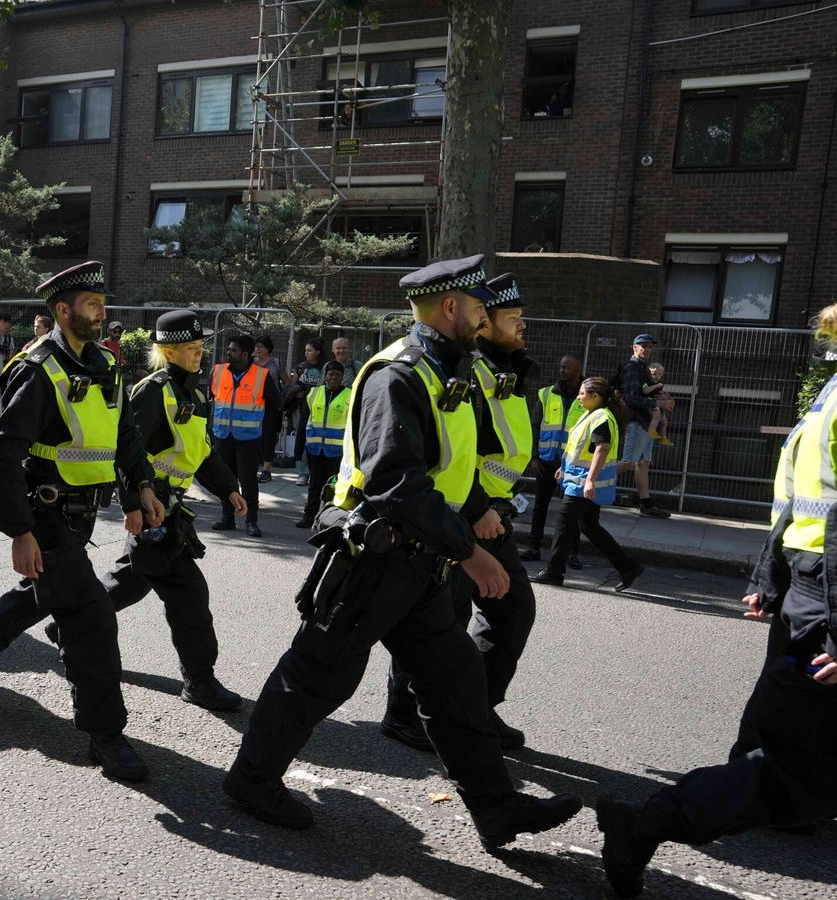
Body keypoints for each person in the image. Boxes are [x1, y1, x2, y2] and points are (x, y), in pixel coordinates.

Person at [223, 255, 581, 844]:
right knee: (318, 675)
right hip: (374, 558)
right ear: (450, 309)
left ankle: (496, 808)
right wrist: (469, 549)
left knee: (456, 682)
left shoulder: (450, 373)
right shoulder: (400, 375)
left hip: (419, 564)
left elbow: (449, 474)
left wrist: (472, 524)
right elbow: (396, 481)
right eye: (478, 308)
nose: (486, 318)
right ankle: (251, 778)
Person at [595, 304, 837, 898]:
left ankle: (773, 797)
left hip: (810, 587)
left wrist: (771, 576)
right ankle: (648, 823)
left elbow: (794, 496)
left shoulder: (830, 395)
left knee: (786, 738)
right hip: (828, 595)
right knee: (793, 769)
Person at [0, 260, 166, 782]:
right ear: (63, 311)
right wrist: (20, 530)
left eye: (103, 303)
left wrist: (140, 490)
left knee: (33, 599)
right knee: (91, 618)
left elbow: (124, 434)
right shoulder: (36, 368)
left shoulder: (107, 364)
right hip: (46, 516)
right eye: (91, 304)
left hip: (82, 518)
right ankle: (106, 735)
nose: (101, 311)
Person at [382, 271, 539, 753]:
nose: (523, 327)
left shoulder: (506, 373)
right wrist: (472, 510)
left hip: (489, 513)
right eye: (513, 319)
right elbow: (445, 455)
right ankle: (407, 715)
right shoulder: (455, 370)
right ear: (483, 322)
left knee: (510, 611)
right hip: (457, 517)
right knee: (436, 621)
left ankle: (475, 708)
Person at [89, 309, 246, 712]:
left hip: (169, 509)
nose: (199, 355)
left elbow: (202, 453)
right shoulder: (153, 390)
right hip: (154, 507)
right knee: (190, 595)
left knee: (130, 581)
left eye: (200, 347)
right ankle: (201, 682)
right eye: (191, 349)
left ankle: (71, 627)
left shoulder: (194, 392)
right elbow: (128, 453)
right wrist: (140, 500)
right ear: (170, 353)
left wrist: (229, 489)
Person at [532, 377, 645, 590]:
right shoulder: (592, 414)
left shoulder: (600, 416)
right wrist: (563, 467)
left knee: (564, 524)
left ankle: (554, 572)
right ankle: (628, 566)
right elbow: (579, 446)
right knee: (589, 526)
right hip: (579, 479)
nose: (578, 397)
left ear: (595, 396)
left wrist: (590, 481)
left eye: (582, 393)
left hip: (583, 483)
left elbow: (601, 449)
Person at [209, 334, 279, 537]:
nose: (229, 352)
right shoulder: (218, 371)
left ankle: (251, 521)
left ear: (246, 354)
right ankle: (227, 517)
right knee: (225, 479)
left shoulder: (261, 375)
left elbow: (275, 403)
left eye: (234, 350)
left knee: (248, 481)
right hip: (223, 435)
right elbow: (213, 397)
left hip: (248, 438)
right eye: (229, 349)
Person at [522, 354, 585, 567]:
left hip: (573, 463)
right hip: (547, 461)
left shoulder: (587, 396)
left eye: (567, 367)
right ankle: (534, 547)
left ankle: (572, 553)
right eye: (561, 367)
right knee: (540, 506)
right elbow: (534, 425)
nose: (562, 371)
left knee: (572, 511)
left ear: (578, 369)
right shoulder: (547, 394)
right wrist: (534, 456)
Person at [617, 334, 673, 518]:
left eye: (650, 347)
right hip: (636, 422)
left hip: (646, 423)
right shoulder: (631, 368)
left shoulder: (642, 369)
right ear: (634, 348)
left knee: (643, 463)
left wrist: (663, 399)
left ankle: (646, 504)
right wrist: (658, 404)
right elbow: (632, 397)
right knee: (628, 462)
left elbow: (647, 394)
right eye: (643, 346)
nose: (647, 349)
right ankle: (589, 484)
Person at [293, 360, 348, 528]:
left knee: (335, 487)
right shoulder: (313, 393)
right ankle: (309, 516)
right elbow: (303, 422)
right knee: (315, 484)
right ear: (325, 376)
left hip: (337, 451)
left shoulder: (350, 395)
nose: (333, 378)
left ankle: (331, 520)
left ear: (342, 377)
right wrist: (298, 447)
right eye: (330, 374)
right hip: (315, 448)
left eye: (337, 375)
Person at [290, 338, 326, 486]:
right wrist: (295, 392)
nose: (306, 353)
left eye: (309, 350)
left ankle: (316, 472)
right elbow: (293, 386)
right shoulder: (300, 367)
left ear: (317, 352)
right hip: (302, 408)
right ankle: (302, 472)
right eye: (305, 350)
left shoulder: (325, 367)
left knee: (316, 439)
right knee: (303, 438)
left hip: (320, 409)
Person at [253, 335, 281, 483]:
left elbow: (284, 380)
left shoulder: (275, 362)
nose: (257, 349)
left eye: (261, 346)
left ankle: (266, 469)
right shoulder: (251, 363)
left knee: (269, 436)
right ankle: (254, 464)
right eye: (256, 346)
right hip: (254, 403)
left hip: (272, 404)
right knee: (255, 435)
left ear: (268, 349)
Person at [644, 361, 673, 445]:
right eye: (654, 374)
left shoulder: (659, 384)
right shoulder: (648, 383)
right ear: (649, 374)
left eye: (659, 374)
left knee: (664, 421)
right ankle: (651, 431)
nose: (657, 376)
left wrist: (666, 396)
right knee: (656, 415)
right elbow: (645, 391)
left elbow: (660, 393)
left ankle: (663, 438)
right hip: (651, 404)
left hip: (659, 406)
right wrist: (656, 386)